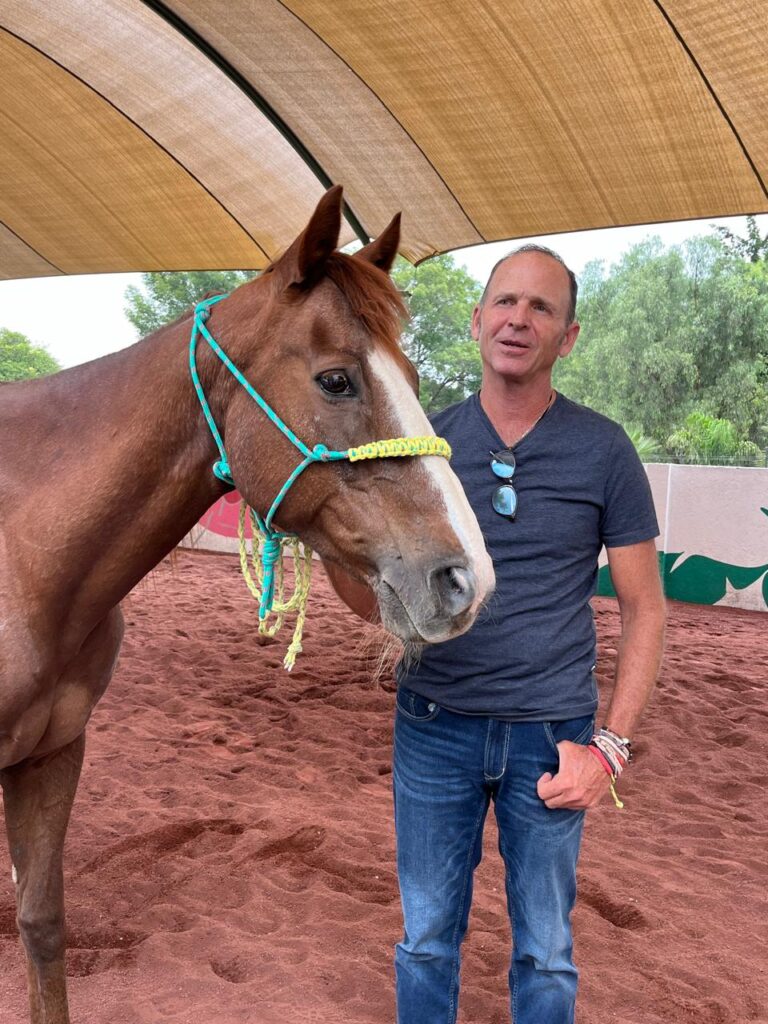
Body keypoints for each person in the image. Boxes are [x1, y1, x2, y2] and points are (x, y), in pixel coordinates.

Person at [324, 244, 666, 1024]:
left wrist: (609, 748)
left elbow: (644, 607)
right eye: (506, 302)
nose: (520, 319)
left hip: (554, 739)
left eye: (542, 307)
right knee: (426, 942)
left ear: (568, 337)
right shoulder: (421, 443)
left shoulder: (605, 451)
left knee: (546, 952)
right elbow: (377, 603)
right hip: (433, 729)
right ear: (477, 321)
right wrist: (321, 535)